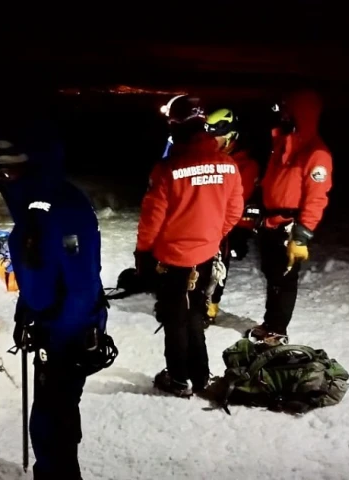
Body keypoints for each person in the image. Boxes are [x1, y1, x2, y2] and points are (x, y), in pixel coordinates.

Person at [0, 121, 115, 479]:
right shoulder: (50, 201)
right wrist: (26, 311)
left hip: (64, 333)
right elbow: (52, 273)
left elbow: (63, 284)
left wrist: (44, 322)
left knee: (50, 419)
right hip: (68, 324)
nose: (4, 175)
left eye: (10, 167)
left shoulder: (49, 211)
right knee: (57, 413)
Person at [136, 95, 243, 397]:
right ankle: (201, 376)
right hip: (207, 256)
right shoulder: (229, 166)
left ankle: (179, 378)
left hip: (172, 260)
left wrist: (144, 252)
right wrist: (209, 236)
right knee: (195, 314)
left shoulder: (167, 169)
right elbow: (234, 212)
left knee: (176, 320)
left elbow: (152, 219)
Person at [253, 90, 333, 345]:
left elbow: (316, 197)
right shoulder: (283, 144)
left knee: (284, 280)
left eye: (288, 112)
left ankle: (278, 330)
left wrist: (302, 233)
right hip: (270, 222)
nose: (283, 116)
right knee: (272, 275)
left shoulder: (317, 155)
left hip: (289, 225)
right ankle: (270, 322)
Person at [203, 108, 262, 324]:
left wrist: (239, 231)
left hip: (226, 226)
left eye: (214, 136)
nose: (210, 141)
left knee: (218, 265)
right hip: (203, 222)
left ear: (230, 136)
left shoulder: (246, 165)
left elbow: (237, 199)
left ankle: (210, 306)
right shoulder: (207, 158)